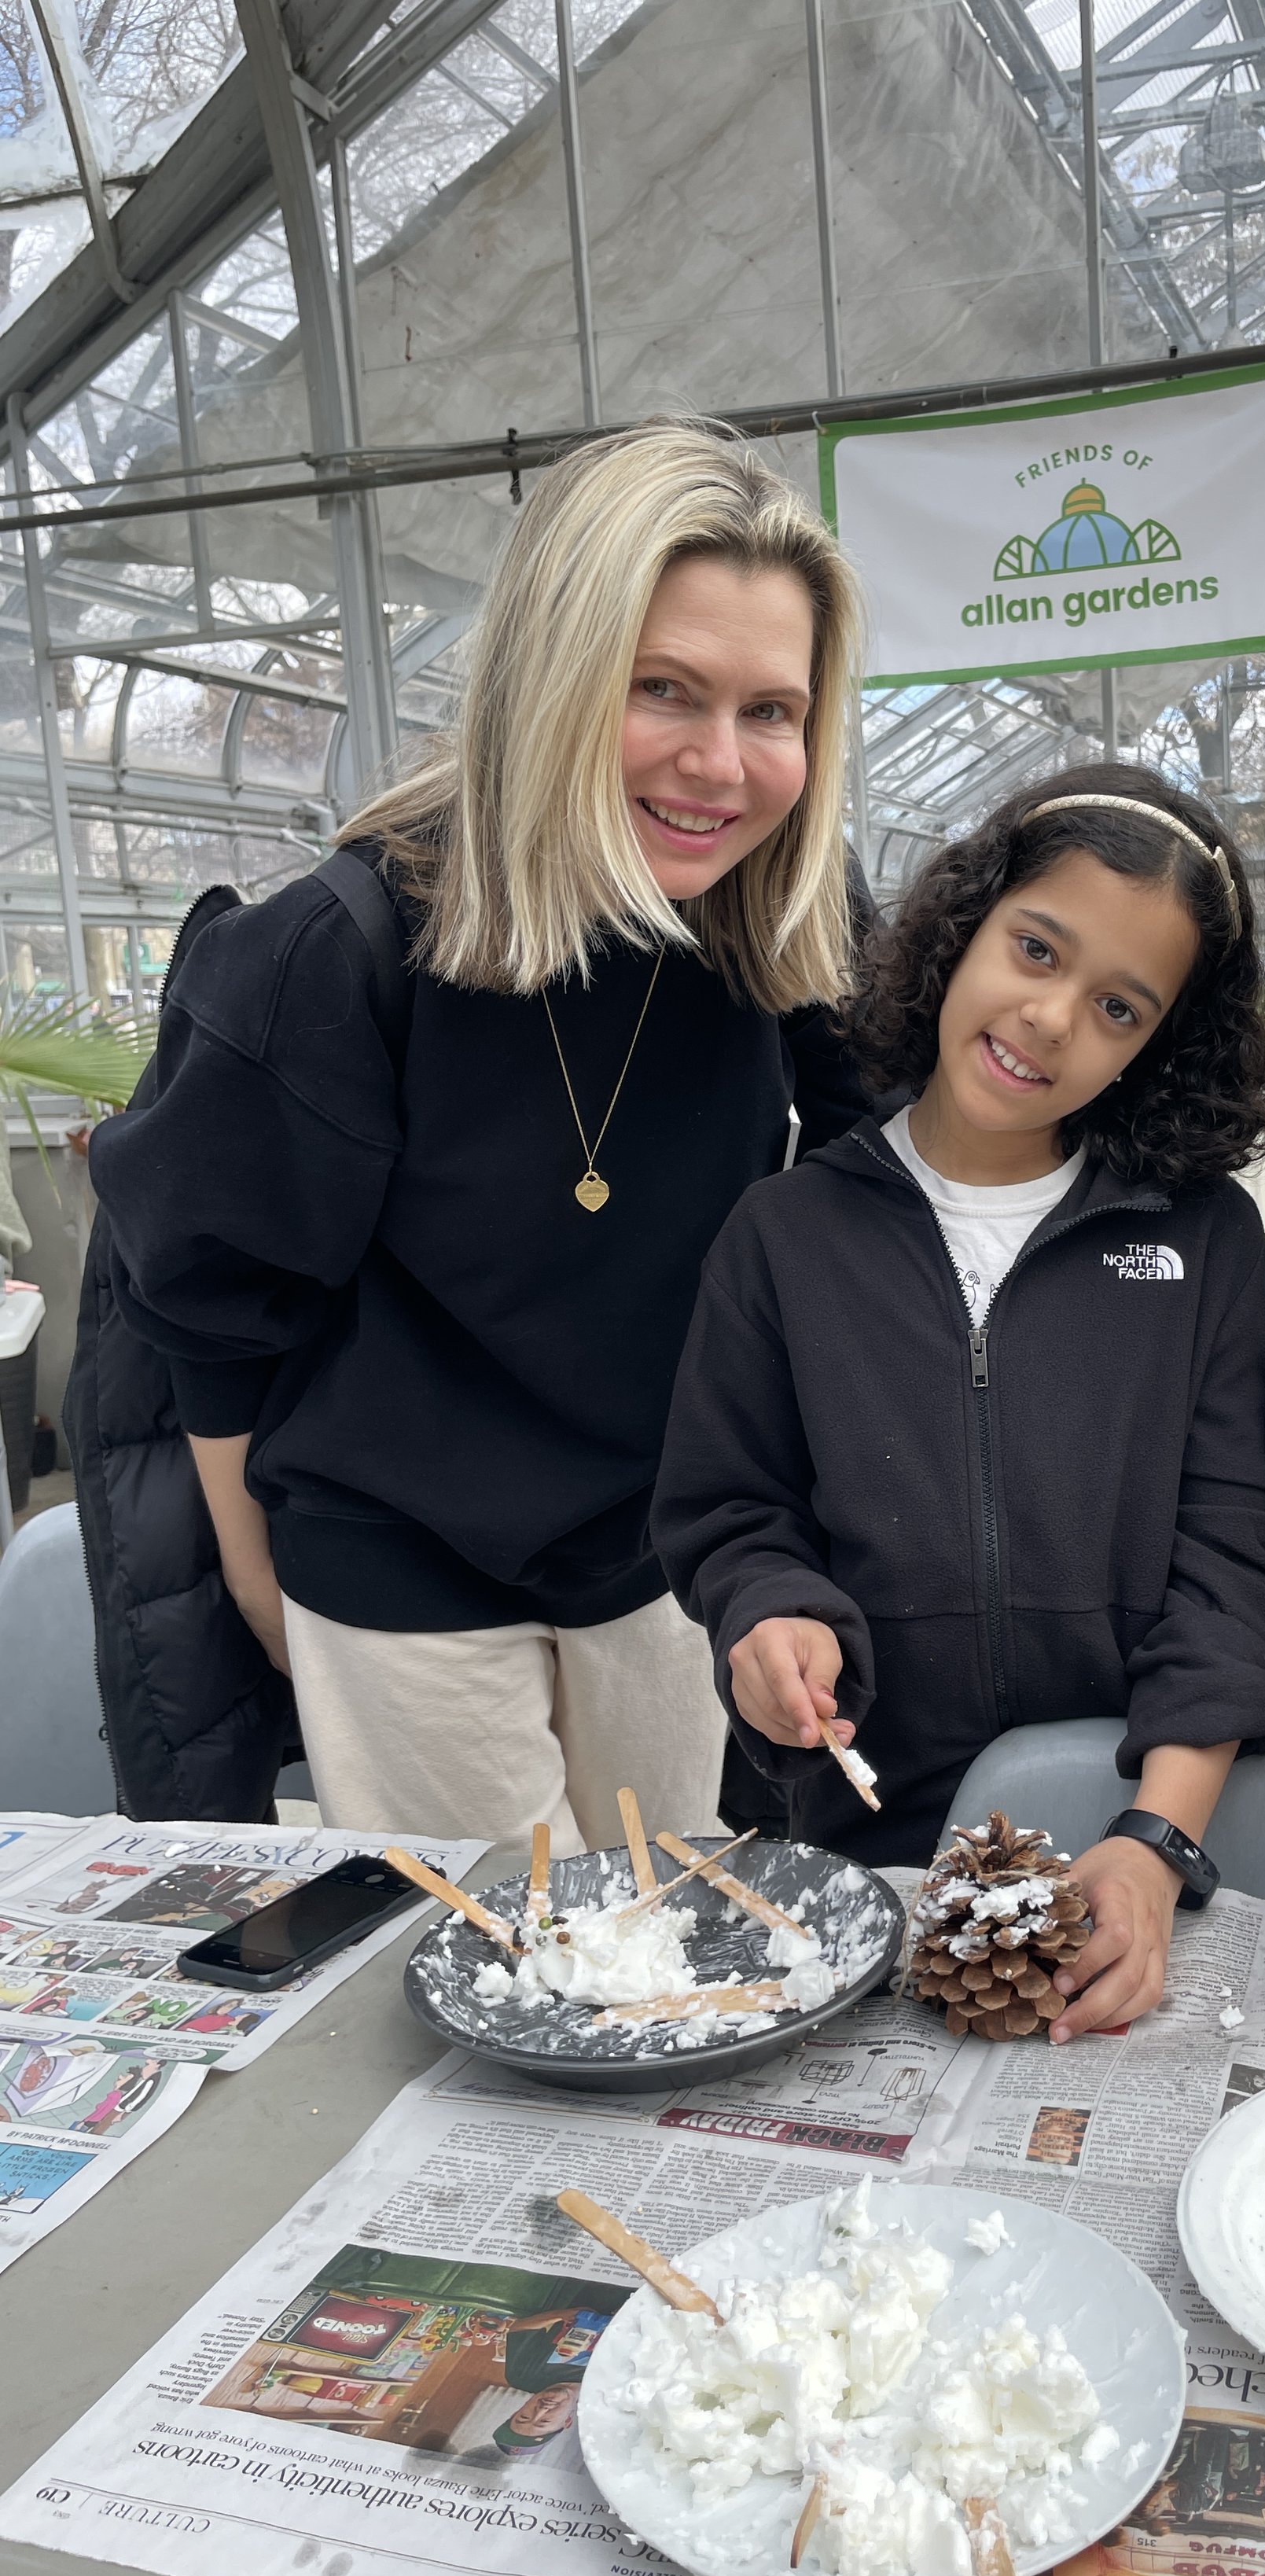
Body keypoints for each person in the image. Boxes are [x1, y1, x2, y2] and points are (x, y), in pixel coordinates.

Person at [85, 423, 870, 1854]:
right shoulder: (334, 952)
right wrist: (263, 1589)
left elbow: (903, 1149)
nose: (721, 765)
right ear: (556, 677)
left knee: (666, 1935)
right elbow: (206, 1299)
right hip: (393, 1549)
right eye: (664, 691)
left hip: (659, 1544)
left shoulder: (780, 924)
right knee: (502, 1966)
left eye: (774, 711)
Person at [653, 764, 1265, 2040]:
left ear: (1160, 1044)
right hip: (856, 1848)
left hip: (1128, 1844)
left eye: (1119, 1005)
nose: (1052, 1018)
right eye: (1035, 948)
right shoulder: (787, 1229)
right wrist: (771, 1616)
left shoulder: (1207, 1237)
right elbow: (730, 1509)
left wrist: (1157, 1840)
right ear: (962, 929)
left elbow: (1232, 1558)